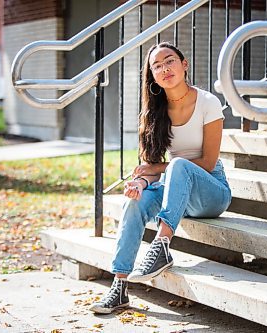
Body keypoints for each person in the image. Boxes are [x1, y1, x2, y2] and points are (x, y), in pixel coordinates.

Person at [90, 42, 232, 314]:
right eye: (157, 66)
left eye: (170, 61)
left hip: (210, 192)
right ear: (152, 76)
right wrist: (140, 184)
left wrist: (159, 170)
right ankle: (119, 286)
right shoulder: (154, 111)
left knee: (178, 165)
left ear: (184, 64)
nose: (165, 68)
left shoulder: (208, 102)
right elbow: (150, 165)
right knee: (135, 203)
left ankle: (162, 244)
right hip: (174, 190)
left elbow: (207, 162)